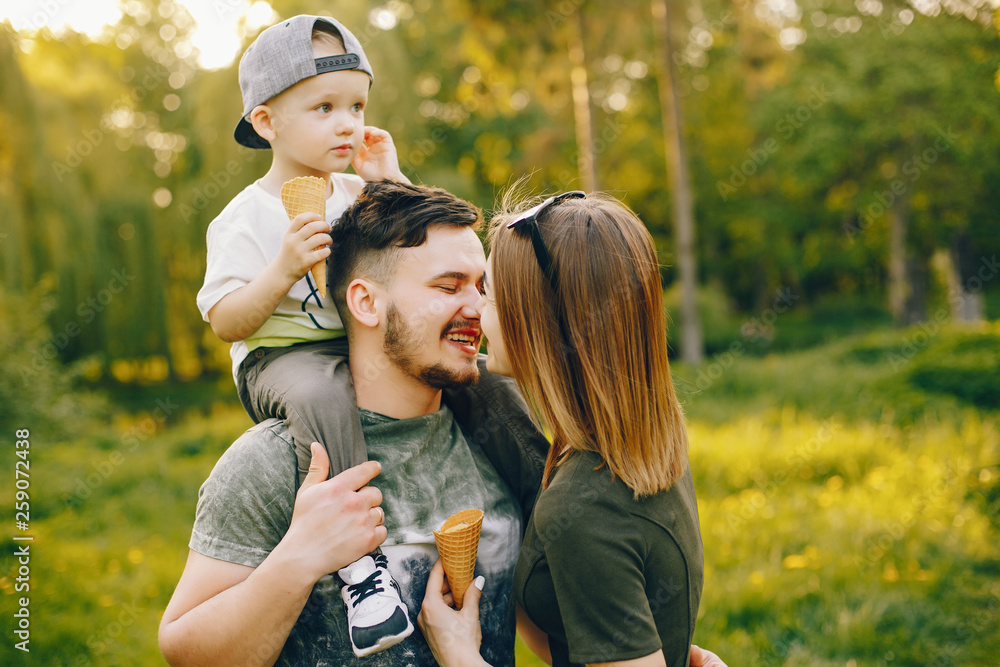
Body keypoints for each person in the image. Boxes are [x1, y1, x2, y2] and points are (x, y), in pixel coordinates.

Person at [192, 14, 519, 654]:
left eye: (356, 105)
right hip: (282, 358)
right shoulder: (245, 218)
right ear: (265, 122)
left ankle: (551, 494)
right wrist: (283, 266)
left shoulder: (353, 192)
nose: (347, 122)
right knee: (322, 396)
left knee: (487, 389)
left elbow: (419, 253)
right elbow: (226, 321)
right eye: (323, 107)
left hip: (354, 351)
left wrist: (390, 179)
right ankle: (361, 571)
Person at [161, 181, 549, 666]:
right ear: (366, 302)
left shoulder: (499, 442)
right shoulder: (277, 463)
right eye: (448, 287)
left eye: (481, 287)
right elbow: (188, 655)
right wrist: (299, 558)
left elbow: (547, 633)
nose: (476, 308)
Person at [418, 191, 710, 667]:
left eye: (488, 293)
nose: (474, 309)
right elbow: (578, 623)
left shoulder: (587, 510)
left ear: (539, 324)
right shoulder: (640, 446)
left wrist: (458, 654)